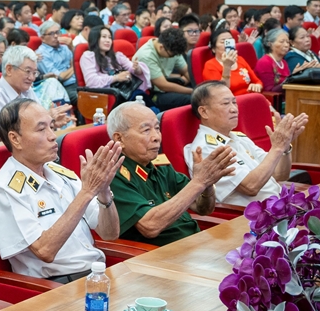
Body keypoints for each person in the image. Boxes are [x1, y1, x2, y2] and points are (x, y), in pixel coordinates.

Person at [0, 99, 124, 282]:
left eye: (52, 127)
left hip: (96, 274)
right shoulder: (4, 188)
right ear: (15, 139)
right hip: (54, 285)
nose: (53, 136)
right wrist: (87, 192)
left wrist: (104, 192)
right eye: (41, 129)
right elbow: (45, 250)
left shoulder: (61, 173)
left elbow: (110, 234)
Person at [106, 101, 235, 245]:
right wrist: (199, 182)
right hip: (161, 256)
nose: (156, 137)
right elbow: (150, 226)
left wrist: (208, 184)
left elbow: (203, 208)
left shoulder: (160, 166)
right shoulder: (112, 176)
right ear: (119, 139)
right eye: (146, 130)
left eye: (157, 128)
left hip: (195, 243)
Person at [184, 82, 307, 205]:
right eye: (226, 103)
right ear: (204, 112)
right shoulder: (206, 148)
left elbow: (280, 174)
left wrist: (285, 148)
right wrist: (277, 148)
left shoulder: (238, 138)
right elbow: (251, 187)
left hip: (279, 206)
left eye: (234, 102)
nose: (234, 109)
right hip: (248, 219)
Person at [0, 46, 73, 143]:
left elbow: (39, 121)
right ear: (9, 69)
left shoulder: (27, 90)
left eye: (34, 73)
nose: (32, 78)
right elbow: (5, 138)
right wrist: (46, 119)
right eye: (27, 71)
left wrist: (51, 123)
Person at [78, 26, 147, 99]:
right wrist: (116, 78)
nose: (108, 40)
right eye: (104, 37)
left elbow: (132, 68)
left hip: (124, 92)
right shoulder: (89, 56)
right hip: (104, 96)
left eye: (110, 37)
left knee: (141, 97)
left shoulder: (117, 56)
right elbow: (92, 82)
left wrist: (137, 68)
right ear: (95, 39)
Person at [133, 27, 193, 110]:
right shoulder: (146, 55)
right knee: (191, 99)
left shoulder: (172, 48)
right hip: (152, 94)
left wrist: (198, 87)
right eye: (171, 55)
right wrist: (192, 91)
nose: (174, 57)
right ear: (161, 47)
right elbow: (163, 85)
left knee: (201, 94)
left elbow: (187, 71)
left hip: (167, 86)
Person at [200, 31, 263, 95]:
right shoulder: (210, 65)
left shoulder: (240, 59)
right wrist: (227, 66)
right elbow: (221, 93)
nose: (228, 45)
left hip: (251, 97)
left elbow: (258, 81)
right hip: (232, 102)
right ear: (213, 48)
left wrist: (257, 86)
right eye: (223, 42)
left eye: (230, 41)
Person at [35, 21, 77, 101]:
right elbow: (60, 77)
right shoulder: (41, 54)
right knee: (85, 99)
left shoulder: (65, 48)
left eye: (58, 32)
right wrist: (74, 67)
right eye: (51, 33)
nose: (56, 36)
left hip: (77, 82)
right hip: (62, 88)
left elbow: (79, 63)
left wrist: (72, 47)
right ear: (42, 38)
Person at [254, 28, 292, 99]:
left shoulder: (283, 62)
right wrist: (290, 80)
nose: (286, 45)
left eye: (287, 42)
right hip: (272, 101)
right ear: (270, 44)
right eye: (282, 42)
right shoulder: (265, 62)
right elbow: (269, 91)